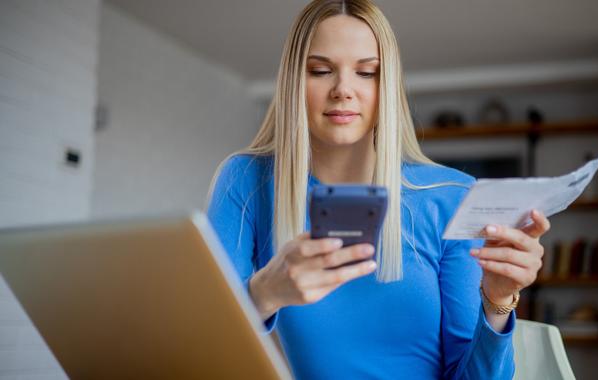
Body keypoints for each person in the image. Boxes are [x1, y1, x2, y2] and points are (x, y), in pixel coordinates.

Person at [206, 1, 550, 378]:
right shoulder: (247, 181)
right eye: (321, 71)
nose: (343, 90)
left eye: (367, 73)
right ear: (293, 81)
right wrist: (263, 294)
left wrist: (498, 301)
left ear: (386, 85)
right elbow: (196, 350)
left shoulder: (452, 197)